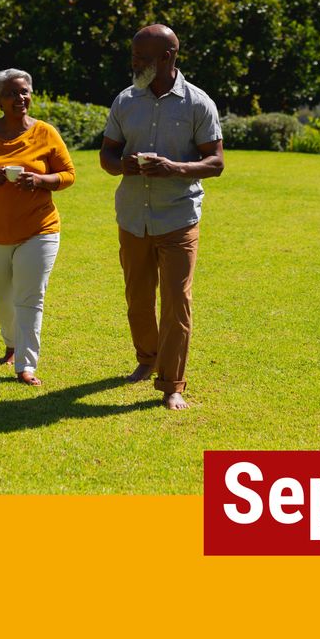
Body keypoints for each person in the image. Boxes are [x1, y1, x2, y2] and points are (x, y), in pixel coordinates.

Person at [99, 25, 224, 410]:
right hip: (133, 216)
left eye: (142, 59)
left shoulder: (198, 103)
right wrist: (123, 167)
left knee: (175, 301)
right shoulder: (125, 100)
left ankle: (172, 384)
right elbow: (106, 155)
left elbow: (215, 163)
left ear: (168, 57)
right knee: (138, 298)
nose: (134, 64)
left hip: (178, 217)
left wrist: (173, 168)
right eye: (134, 57)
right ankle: (146, 359)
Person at [0, 69, 75, 386]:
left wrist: (39, 180)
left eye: (24, 91)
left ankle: (25, 364)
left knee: (30, 297)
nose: (20, 98)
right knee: (1, 297)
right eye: (11, 93)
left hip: (40, 229)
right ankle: (11, 340)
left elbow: (67, 175)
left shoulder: (46, 133)